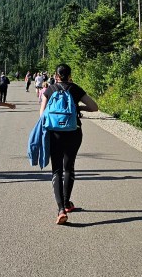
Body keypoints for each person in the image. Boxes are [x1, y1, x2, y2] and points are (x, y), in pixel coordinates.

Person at [39, 63, 98, 224]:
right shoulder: (76, 89)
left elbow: (42, 114)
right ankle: (67, 202)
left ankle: (61, 209)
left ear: (56, 76)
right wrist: (77, 107)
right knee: (69, 167)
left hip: (54, 134)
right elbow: (94, 107)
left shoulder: (50, 90)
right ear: (70, 75)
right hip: (73, 132)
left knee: (56, 170)